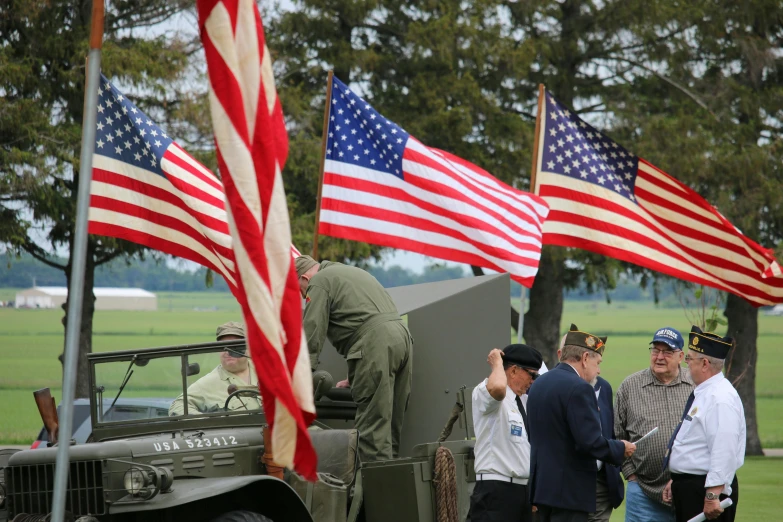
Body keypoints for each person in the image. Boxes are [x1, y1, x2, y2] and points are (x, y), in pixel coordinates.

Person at [295, 255, 413, 463]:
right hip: (402, 339)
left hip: (375, 345)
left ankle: (377, 490)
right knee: (391, 422)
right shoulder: (350, 272)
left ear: (304, 277)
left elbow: (312, 329)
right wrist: (355, 375)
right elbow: (362, 321)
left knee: (372, 430)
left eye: (300, 289)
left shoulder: (319, 281)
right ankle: (393, 476)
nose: (303, 294)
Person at [527, 324, 636, 522]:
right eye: (598, 362)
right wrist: (620, 448)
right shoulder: (579, 388)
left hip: (542, 489)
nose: (599, 370)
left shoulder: (538, 384)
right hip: (570, 493)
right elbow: (589, 441)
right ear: (585, 359)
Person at [662, 326, 745, 522]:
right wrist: (678, 477)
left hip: (705, 491)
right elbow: (696, 445)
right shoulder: (706, 392)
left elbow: (724, 448)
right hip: (692, 487)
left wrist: (713, 495)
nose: (686, 363)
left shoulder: (720, 397)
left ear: (705, 363)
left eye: (689, 358)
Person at [614, 326, 693, 522]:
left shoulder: (696, 384)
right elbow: (616, 434)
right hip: (642, 491)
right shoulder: (630, 386)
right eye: (655, 350)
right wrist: (630, 474)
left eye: (667, 352)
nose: (659, 356)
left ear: (681, 356)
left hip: (688, 488)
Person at [469, 344, 543, 522]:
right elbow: (498, 389)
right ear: (514, 371)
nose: (533, 381)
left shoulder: (523, 402)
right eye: (531, 375)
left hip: (521, 492)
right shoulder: (487, 392)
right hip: (495, 490)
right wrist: (497, 363)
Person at [169, 322, 262, 416]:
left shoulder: (266, 371)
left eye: (235, 346)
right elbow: (177, 406)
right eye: (222, 346)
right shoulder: (208, 383)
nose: (227, 352)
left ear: (248, 347)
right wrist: (208, 423)